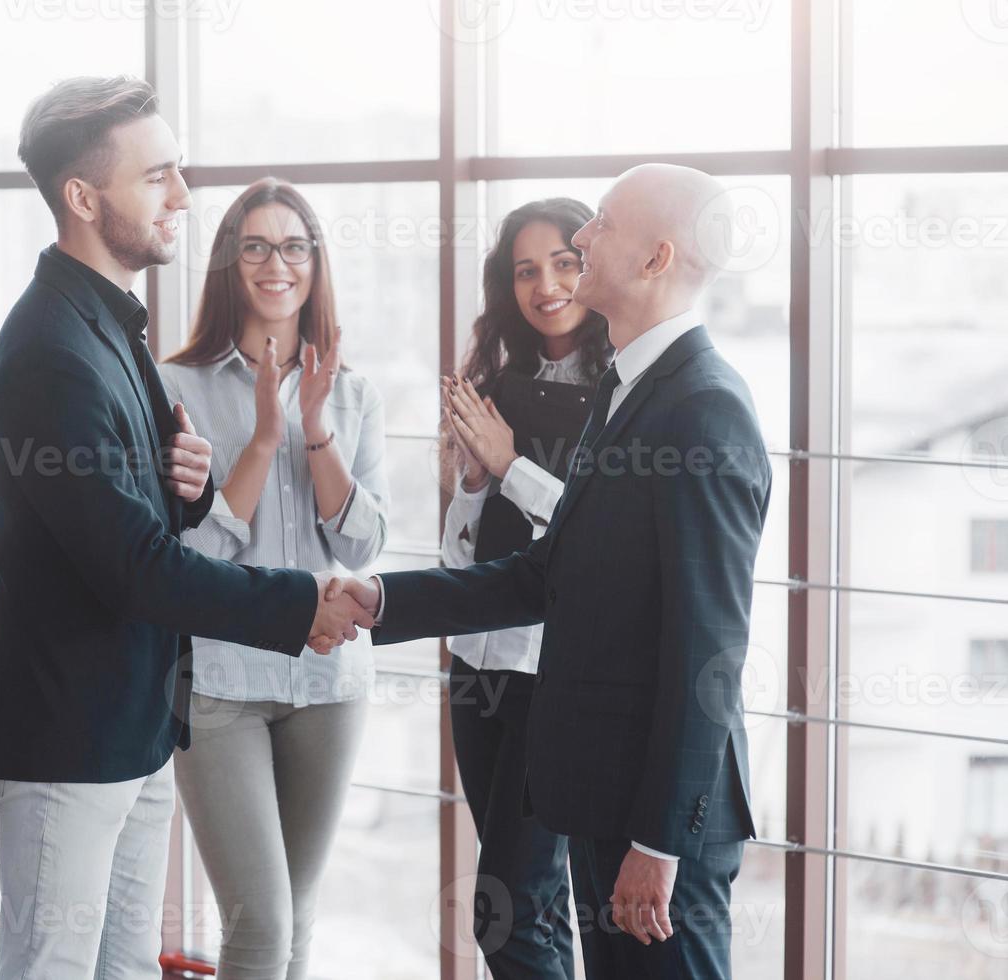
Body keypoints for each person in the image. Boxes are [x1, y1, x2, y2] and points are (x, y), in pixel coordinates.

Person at [0, 77, 372, 980]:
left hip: (134, 724)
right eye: (158, 176)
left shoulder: (111, 328)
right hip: (70, 734)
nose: (183, 197)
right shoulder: (51, 350)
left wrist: (181, 488)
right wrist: (298, 601)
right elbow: (135, 566)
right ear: (82, 197)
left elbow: (134, 517)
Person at [330, 164, 772, 980]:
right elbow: (545, 574)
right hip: (607, 797)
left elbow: (709, 650)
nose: (580, 239)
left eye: (600, 225)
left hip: (657, 823)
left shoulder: (703, 407)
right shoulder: (627, 390)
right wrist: (383, 598)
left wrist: (658, 839)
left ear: (655, 258)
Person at [158, 177, 389, 980]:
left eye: (293, 246)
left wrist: (315, 429)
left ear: (315, 263)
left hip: (328, 683)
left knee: (299, 920)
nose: (275, 263)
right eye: (253, 245)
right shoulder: (174, 387)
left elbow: (358, 547)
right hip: (221, 685)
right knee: (259, 924)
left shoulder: (353, 392)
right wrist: (263, 440)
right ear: (229, 261)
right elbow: (192, 568)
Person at [439, 197, 611, 979]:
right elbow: (461, 558)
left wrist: (512, 466)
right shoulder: (496, 385)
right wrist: (475, 482)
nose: (546, 286)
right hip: (479, 665)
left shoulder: (625, 390)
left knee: (500, 915)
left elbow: (598, 544)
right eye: (526, 271)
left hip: (554, 676)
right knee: (528, 911)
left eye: (564, 263)